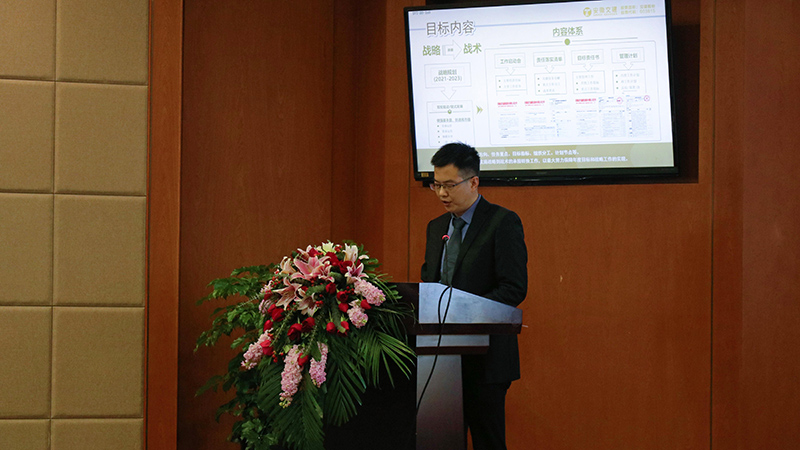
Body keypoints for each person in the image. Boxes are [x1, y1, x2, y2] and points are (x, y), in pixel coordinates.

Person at [421, 142, 528, 450]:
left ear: (474, 182)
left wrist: (463, 312)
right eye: (436, 185)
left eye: (450, 185)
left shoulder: (502, 222)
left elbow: (513, 288)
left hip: (486, 359)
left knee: (487, 442)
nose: (442, 193)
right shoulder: (436, 228)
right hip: (440, 359)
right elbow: (430, 283)